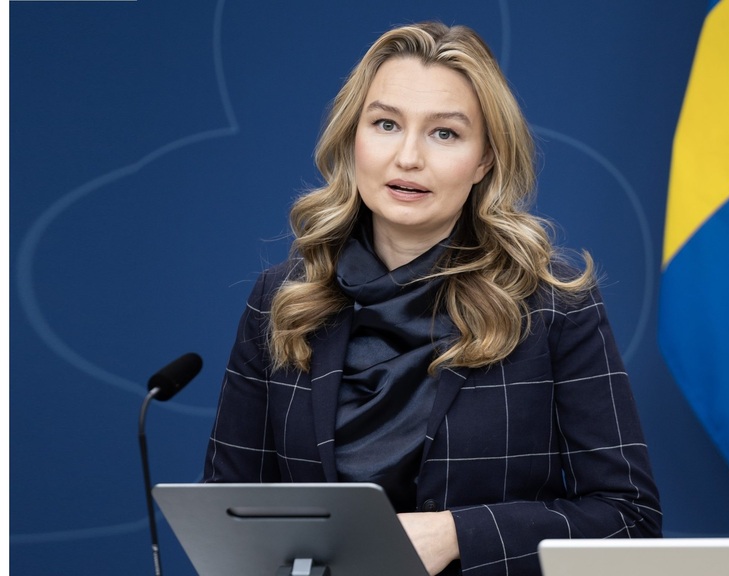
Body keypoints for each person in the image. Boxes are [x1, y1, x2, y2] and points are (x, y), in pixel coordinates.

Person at [202, 21, 662, 576]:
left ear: (485, 160)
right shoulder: (283, 299)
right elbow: (229, 517)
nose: (408, 157)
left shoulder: (552, 306)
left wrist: (455, 534)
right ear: (352, 138)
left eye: (444, 133)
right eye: (386, 124)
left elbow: (628, 518)